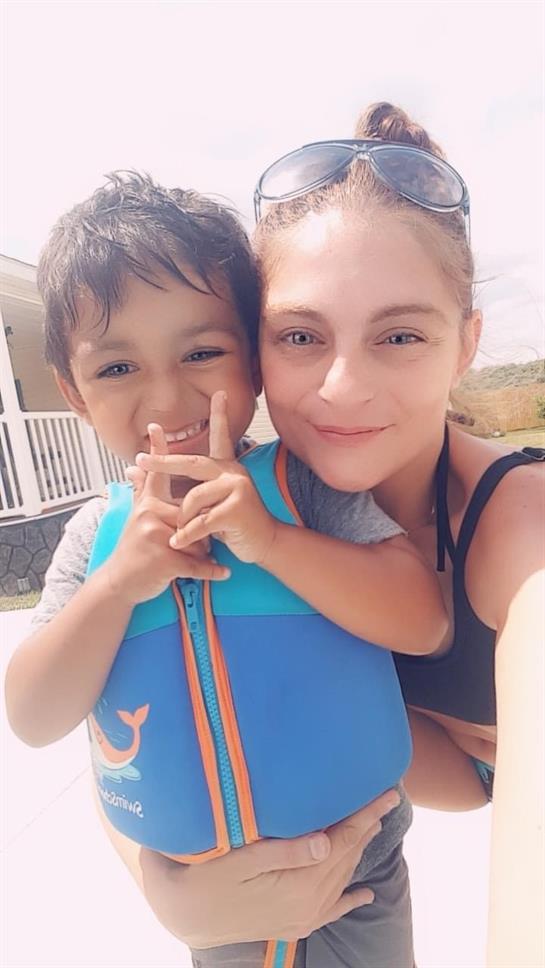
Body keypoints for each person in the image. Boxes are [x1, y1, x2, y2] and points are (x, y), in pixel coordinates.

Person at [100, 105, 545, 968]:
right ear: (254, 352)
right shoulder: (242, 506)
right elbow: (134, 702)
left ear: (465, 346)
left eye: (400, 335)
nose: (342, 387)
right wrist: (162, 886)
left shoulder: (518, 525)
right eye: (301, 336)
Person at [5, 171, 452, 968]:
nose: (167, 397)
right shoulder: (92, 538)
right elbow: (35, 717)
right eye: (117, 369)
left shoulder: (304, 489)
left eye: (202, 352)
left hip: (355, 869)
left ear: (251, 357)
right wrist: (116, 587)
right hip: (210, 887)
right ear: (73, 395)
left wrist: (271, 541)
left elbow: (422, 619)